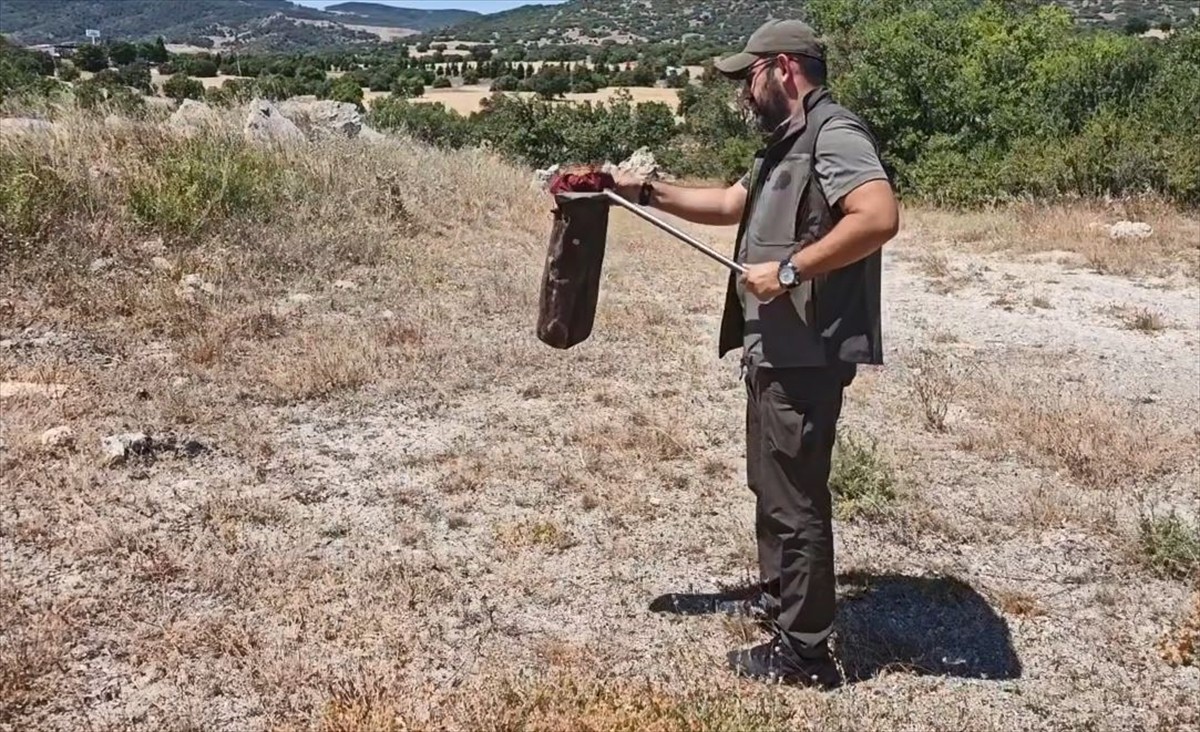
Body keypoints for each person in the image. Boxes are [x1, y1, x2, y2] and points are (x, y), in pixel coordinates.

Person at [613, 18, 899, 688]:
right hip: (775, 349)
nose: (743, 89)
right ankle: (781, 603)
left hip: (806, 352)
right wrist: (642, 191)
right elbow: (727, 203)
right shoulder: (783, 143)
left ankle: (805, 656)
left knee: (796, 500)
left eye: (749, 75)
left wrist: (793, 271)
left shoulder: (835, 134)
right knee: (771, 487)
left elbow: (878, 215)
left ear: (783, 68)